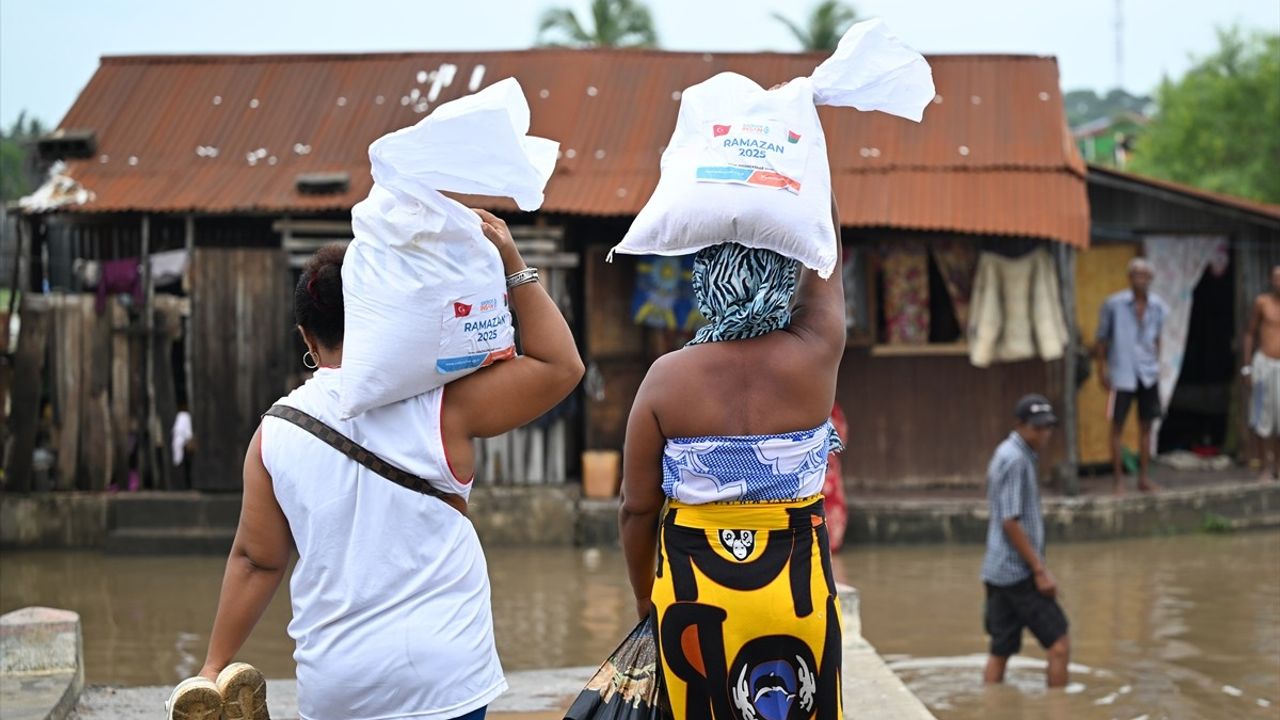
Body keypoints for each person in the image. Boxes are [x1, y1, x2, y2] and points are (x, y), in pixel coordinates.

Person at [168, 210, 583, 720]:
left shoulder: (274, 434)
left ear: (306, 336)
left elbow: (256, 562)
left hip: (339, 686)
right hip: (446, 675)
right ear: (381, 311)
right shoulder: (442, 405)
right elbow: (562, 366)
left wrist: (213, 668)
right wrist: (512, 262)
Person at [619, 205, 847, 719]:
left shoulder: (666, 378)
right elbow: (828, 265)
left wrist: (644, 599)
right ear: (782, 277)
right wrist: (816, 188)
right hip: (798, 593)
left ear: (704, 283)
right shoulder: (817, 352)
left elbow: (637, 510)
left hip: (692, 599)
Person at [981, 394, 1071, 689]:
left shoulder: (1007, 452)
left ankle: (991, 707)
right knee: (1059, 645)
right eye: (1038, 427)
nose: (1044, 434)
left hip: (997, 571)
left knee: (1000, 650)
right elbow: (1010, 520)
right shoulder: (1016, 459)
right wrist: (1039, 570)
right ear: (1020, 425)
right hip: (1017, 572)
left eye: (1048, 427)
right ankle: (1059, 710)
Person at [1095, 257, 1167, 493]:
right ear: (1129, 277)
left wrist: (1157, 365)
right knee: (1117, 427)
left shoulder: (1158, 306)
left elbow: (1158, 339)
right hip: (1122, 372)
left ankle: (1143, 478)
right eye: (1137, 274)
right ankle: (1118, 481)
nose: (1141, 279)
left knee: (1146, 427)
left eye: (1145, 275)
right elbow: (1102, 339)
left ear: (1151, 279)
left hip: (1147, 373)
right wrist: (1101, 370)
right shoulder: (1114, 304)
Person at [1244, 265, 1280, 481]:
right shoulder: (1262, 303)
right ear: (1271, 280)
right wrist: (1246, 366)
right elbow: (1249, 333)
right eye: (1276, 278)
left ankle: (1278, 465)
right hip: (1263, 364)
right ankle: (1264, 466)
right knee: (1261, 417)